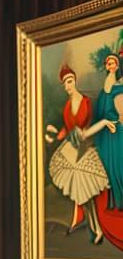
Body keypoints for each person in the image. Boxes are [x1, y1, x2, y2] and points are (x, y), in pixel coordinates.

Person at [46, 65, 114, 242]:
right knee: (81, 194)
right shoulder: (67, 108)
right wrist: (53, 135)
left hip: (88, 146)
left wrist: (105, 123)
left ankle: (96, 227)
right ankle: (93, 226)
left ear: (74, 80)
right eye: (64, 84)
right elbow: (67, 130)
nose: (68, 86)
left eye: (69, 81)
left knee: (88, 192)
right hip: (72, 148)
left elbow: (92, 124)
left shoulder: (86, 102)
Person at [94, 53, 123, 212]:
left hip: (118, 128)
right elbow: (103, 108)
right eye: (108, 63)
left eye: (113, 63)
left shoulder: (118, 84)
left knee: (119, 163)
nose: (110, 66)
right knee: (111, 165)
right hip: (110, 128)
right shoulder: (108, 84)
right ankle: (115, 201)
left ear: (117, 66)